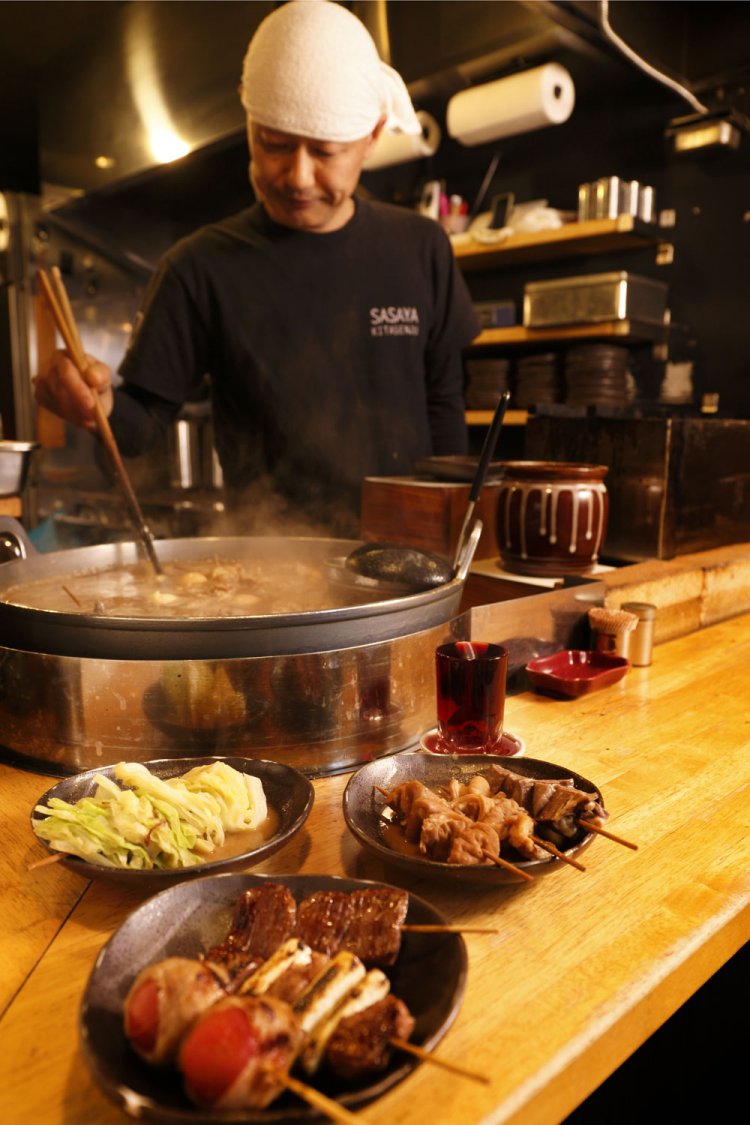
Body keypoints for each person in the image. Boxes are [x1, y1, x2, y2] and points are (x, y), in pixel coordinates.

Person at [34, 0, 479, 535]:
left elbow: (444, 408)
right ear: (248, 116)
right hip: (274, 568)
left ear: (373, 134)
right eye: (274, 144)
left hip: (412, 560)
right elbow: (144, 428)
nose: (297, 176)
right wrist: (97, 405)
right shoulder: (198, 267)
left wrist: (457, 545)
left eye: (326, 152)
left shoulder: (421, 247)